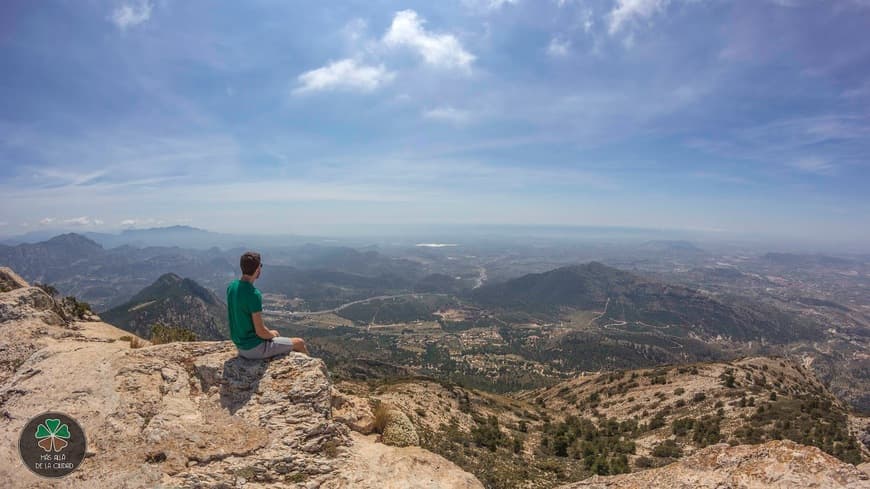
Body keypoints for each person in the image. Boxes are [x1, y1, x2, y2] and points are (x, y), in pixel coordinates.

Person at [227, 251, 309, 359]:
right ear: (257, 269)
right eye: (260, 265)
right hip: (254, 349)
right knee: (299, 342)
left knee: (275, 333)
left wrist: (272, 333)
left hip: (240, 346)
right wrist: (272, 334)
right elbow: (260, 331)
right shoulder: (253, 294)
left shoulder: (232, 287)